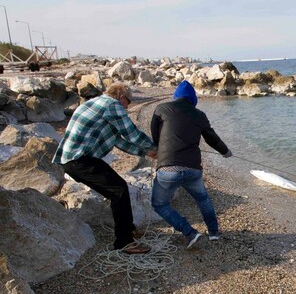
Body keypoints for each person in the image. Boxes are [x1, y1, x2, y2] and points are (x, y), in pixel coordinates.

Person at [53, 83, 157, 254]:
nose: (127, 107)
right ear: (122, 97)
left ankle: (128, 228)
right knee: (119, 191)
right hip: (78, 160)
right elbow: (131, 133)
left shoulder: (96, 103)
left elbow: (119, 140)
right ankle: (124, 243)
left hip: (77, 159)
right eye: (128, 102)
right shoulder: (112, 105)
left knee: (119, 186)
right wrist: (155, 147)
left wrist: (146, 152)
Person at [150, 80, 232, 249]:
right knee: (203, 199)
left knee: (160, 204)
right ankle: (214, 232)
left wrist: (160, 149)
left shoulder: (161, 109)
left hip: (168, 168)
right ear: (193, 98)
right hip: (192, 169)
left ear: (176, 96)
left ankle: (189, 232)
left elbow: (155, 134)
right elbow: (211, 138)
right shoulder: (199, 115)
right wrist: (225, 152)